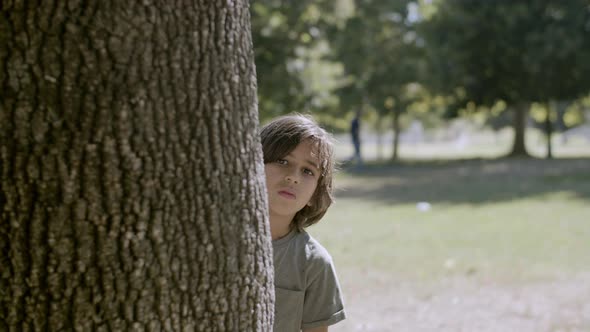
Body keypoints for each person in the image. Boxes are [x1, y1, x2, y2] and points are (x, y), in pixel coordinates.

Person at [260, 114, 346, 332]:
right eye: (282, 161)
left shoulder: (314, 264)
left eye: (307, 171)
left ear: (314, 195)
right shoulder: (215, 238)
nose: (293, 177)